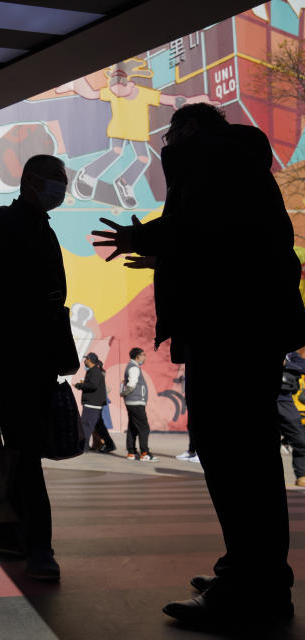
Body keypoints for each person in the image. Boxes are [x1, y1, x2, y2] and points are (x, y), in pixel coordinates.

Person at [92, 103, 305, 626]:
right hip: (246, 328)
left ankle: (253, 589)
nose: (166, 145)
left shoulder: (210, 159)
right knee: (244, 452)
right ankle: (252, 573)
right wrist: (166, 252)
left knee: (233, 453)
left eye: (170, 134)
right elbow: (222, 241)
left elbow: (200, 226)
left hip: (229, 329)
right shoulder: (239, 163)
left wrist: (144, 238)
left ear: (188, 129)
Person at [0, 154, 71, 582]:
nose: (62, 189)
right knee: (28, 452)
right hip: (16, 357)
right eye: (56, 181)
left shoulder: (38, 226)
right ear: (31, 181)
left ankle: (7, 531)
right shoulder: (2, 224)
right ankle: (40, 547)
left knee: (21, 448)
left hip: (38, 357)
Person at [74, 352, 114, 452]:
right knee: (99, 427)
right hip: (93, 403)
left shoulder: (95, 371)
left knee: (86, 425)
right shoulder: (93, 371)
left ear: (90, 360)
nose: (84, 361)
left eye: (86, 359)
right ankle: (110, 445)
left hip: (92, 404)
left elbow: (93, 385)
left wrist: (80, 385)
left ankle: (84, 447)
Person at [123, 348, 156, 461]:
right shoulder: (134, 368)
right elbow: (131, 384)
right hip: (136, 402)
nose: (144, 357)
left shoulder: (131, 366)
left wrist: (125, 394)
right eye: (143, 355)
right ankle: (144, 453)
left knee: (133, 427)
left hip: (132, 401)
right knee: (144, 428)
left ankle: (131, 453)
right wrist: (124, 393)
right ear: (137, 356)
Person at [278, 351, 305, 486]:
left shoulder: (292, 355)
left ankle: (302, 475)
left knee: (300, 438)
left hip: (285, 400)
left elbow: (302, 366)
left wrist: (287, 364)